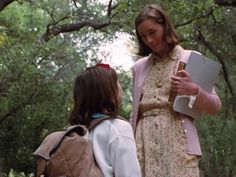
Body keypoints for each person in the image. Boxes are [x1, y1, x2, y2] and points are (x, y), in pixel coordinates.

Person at [129, 4, 221, 177]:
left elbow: (215, 106)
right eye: (143, 36)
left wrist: (194, 90)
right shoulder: (139, 67)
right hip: (144, 146)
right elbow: (135, 114)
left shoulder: (191, 58)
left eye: (152, 32)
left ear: (165, 26)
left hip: (179, 143)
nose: (148, 40)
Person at [69, 63, 142, 177]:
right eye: (117, 83)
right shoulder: (117, 128)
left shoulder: (76, 131)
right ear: (108, 91)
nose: (120, 88)